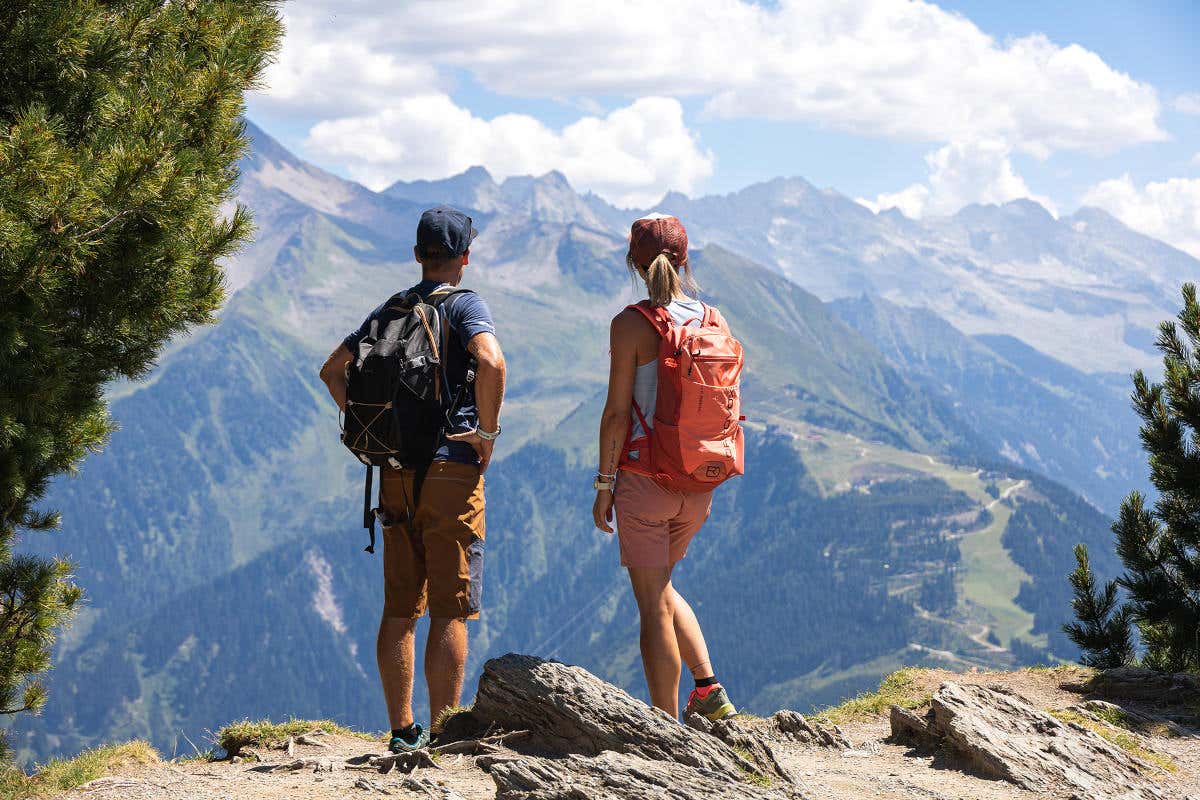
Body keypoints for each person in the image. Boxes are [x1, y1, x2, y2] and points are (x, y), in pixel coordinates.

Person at [319, 206, 506, 752]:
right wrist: (486, 434)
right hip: (452, 469)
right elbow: (490, 362)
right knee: (451, 609)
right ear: (464, 258)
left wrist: (373, 431)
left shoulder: (391, 308)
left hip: (395, 474)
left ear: (418, 254)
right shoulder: (467, 305)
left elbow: (333, 371)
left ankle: (402, 731)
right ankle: (445, 737)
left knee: (400, 608)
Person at [592, 213, 739, 721]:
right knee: (663, 585)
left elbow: (616, 415)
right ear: (685, 258)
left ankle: (665, 725)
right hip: (700, 483)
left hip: (645, 482)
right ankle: (708, 688)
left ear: (634, 262)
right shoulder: (712, 320)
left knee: (651, 603)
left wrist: (604, 483)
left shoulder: (631, 324)